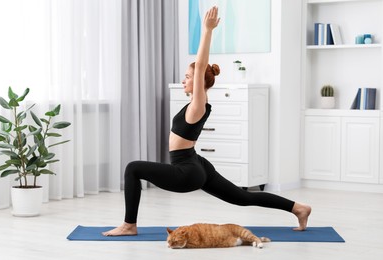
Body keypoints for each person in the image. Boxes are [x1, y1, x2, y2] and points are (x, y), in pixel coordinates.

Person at [103, 6, 311, 237]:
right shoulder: (194, 102)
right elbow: (198, 71)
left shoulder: (198, 104)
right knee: (242, 198)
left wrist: (207, 31)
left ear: (200, 82)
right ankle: (298, 208)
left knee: (133, 168)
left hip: (187, 171)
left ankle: (129, 225)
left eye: (188, 77)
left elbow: (201, 66)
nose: (184, 80)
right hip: (196, 164)